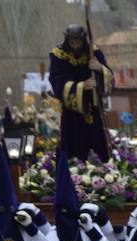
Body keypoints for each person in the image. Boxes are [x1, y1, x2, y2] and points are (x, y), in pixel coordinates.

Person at [47, 24, 112, 162]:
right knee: (72, 149)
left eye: (78, 42)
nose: (75, 45)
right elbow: (57, 82)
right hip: (71, 114)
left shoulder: (94, 53)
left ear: (83, 41)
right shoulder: (58, 55)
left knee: (98, 145)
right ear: (67, 40)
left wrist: (100, 69)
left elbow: (110, 79)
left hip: (93, 109)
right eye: (72, 42)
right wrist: (82, 86)